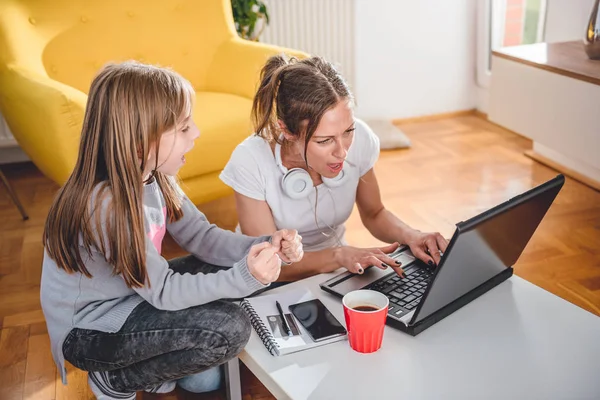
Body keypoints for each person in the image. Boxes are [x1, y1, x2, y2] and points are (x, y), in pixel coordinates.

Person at [40, 61, 303, 399]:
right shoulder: (106, 206)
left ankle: (166, 362)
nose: (196, 133)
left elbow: (203, 238)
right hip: (91, 331)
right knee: (230, 328)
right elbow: (163, 291)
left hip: (134, 296)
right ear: (140, 139)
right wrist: (244, 277)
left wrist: (266, 244)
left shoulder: (154, 175)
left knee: (217, 335)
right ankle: (114, 380)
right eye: (182, 128)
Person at [220, 54, 447, 282]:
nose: (342, 152)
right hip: (267, 278)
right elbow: (269, 263)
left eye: (348, 131)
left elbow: (374, 213)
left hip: (336, 268)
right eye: (324, 140)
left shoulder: (361, 139)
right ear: (287, 130)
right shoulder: (251, 161)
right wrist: (338, 256)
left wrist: (413, 236)